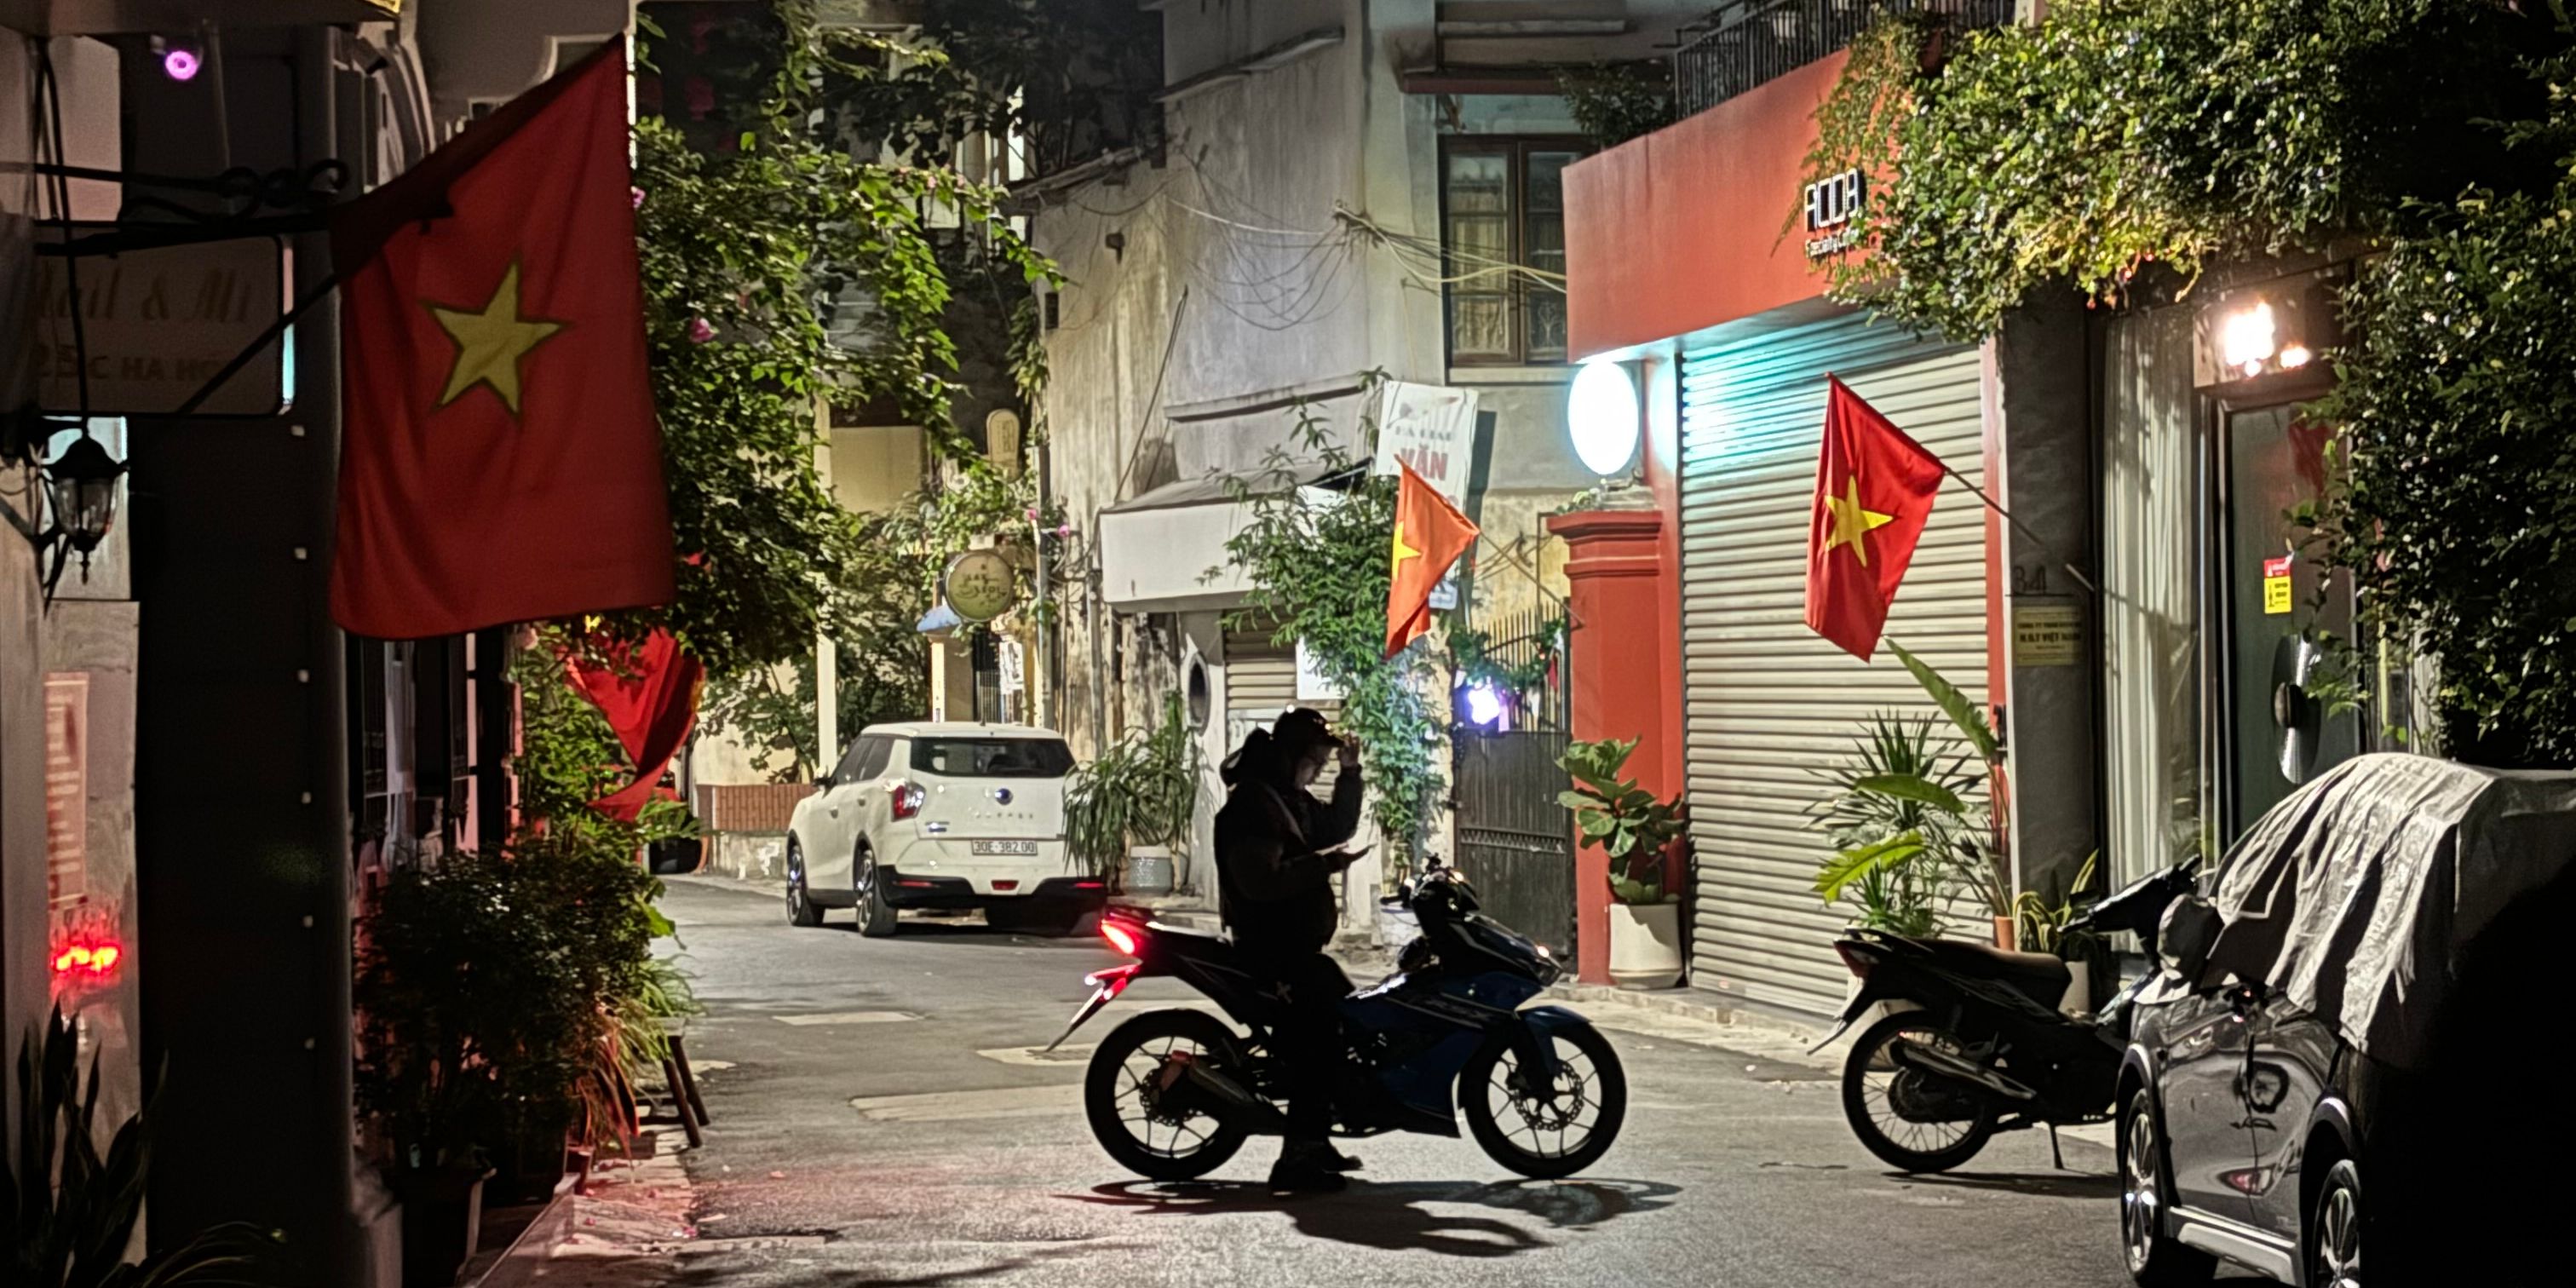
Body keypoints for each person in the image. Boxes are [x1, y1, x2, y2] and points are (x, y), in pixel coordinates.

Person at [1213, 707, 1366, 1192]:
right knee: (1317, 1038)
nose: (1318, 770)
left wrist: (1350, 772)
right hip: (1270, 950)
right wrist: (1322, 868)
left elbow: (1335, 825)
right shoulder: (1254, 807)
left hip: (1296, 947)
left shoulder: (1287, 799)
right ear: (1292, 755)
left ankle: (1316, 1138)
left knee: (1346, 1016)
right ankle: (1296, 1157)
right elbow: (1260, 882)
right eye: (1316, 761)